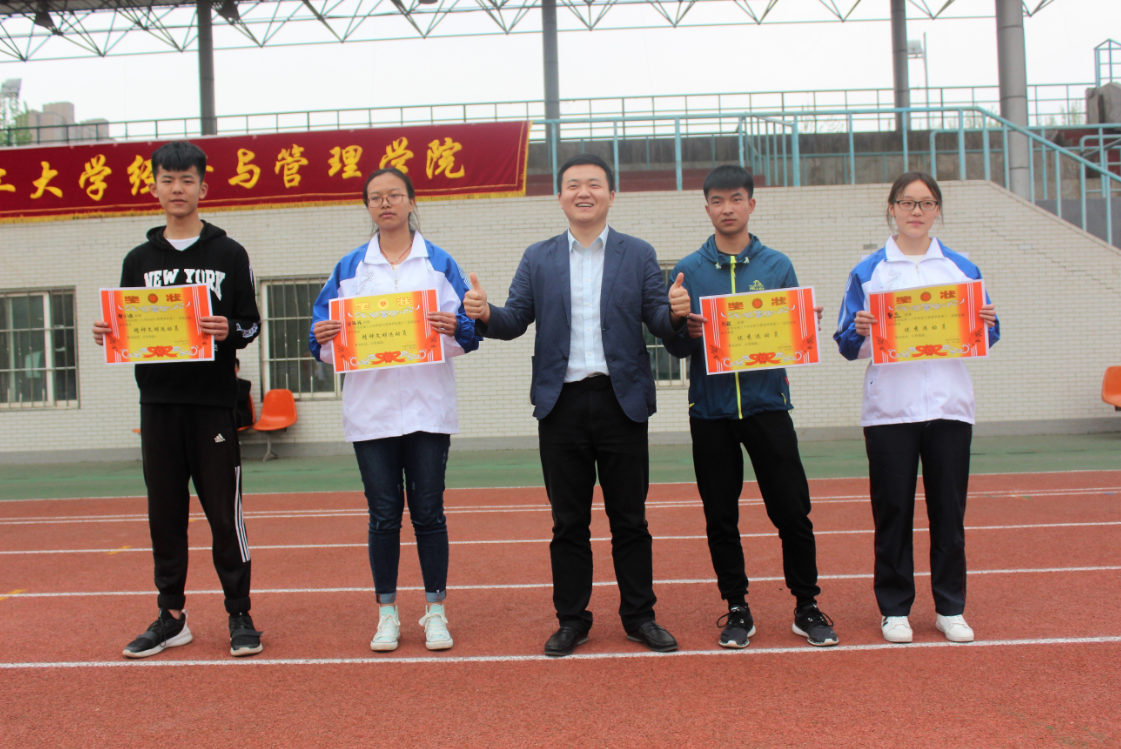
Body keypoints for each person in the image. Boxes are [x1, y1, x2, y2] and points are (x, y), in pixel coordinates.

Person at [464, 153, 690, 657]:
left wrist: (676, 313)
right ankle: (572, 620)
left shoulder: (638, 254)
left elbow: (658, 319)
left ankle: (640, 617)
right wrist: (483, 313)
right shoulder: (538, 257)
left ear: (612, 195)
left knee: (630, 519)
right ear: (559, 197)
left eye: (593, 184)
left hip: (621, 402)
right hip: (561, 404)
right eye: (573, 185)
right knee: (568, 522)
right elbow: (514, 319)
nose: (583, 192)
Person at [92, 141, 263, 658]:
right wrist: (111, 333)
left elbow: (251, 324)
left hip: (212, 403)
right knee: (164, 515)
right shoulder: (139, 260)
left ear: (203, 187)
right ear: (154, 188)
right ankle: (171, 616)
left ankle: (239, 612)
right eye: (167, 180)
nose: (177, 188)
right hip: (159, 403)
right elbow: (127, 324)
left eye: (187, 179)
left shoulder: (229, 254)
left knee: (223, 514)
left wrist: (228, 328)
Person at [661, 165, 839, 649]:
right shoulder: (688, 270)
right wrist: (679, 324)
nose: (727, 209)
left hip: (768, 407)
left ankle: (806, 605)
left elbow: (793, 341)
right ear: (706, 208)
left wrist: (803, 325)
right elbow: (676, 348)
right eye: (717, 201)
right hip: (710, 412)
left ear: (751, 204)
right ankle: (737, 607)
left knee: (792, 511)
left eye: (736, 199)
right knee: (721, 516)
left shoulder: (777, 265)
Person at [309, 167, 479, 652]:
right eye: (375, 197)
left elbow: (470, 333)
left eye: (394, 195)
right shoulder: (349, 269)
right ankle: (387, 614)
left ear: (411, 202)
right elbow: (319, 339)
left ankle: (435, 612)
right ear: (367, 206)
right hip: (372, 413)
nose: (385, 204)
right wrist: (323, 337)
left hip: (427, 410)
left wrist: (457, 327)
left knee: (429, 513)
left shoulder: (439, 263)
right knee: (383, 516)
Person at [834, 171, 999, 644]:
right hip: (891, 410)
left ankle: (950, 608)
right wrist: (860, 330)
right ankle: (894, 609)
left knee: (949, 511)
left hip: (950, 407)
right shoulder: (869, 272)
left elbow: (988, 334)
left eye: (926, 203)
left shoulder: (961, 269)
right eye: (907, 203)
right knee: (893, 512)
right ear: (891, 209)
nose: (916, 212)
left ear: (937, 210)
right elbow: (845, 343)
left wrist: (987, 323)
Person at [234, 358, 253, 429]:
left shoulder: (245, 384)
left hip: (240, 413)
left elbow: (242, 399)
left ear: (238, 369)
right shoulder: (222, 385)